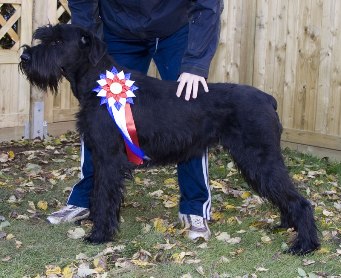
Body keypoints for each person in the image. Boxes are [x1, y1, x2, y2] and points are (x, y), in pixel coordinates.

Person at [47, 0, 222, 241]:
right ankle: (86, 201)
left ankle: (194, 208)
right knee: (99, 119)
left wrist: (196, 62)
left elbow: (208, 4)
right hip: (119, 30)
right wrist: (85, 44)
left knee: (190, 114)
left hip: (175, 28)